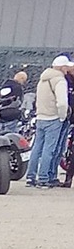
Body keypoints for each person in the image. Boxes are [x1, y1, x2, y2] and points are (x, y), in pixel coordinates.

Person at [27, 58, 71, 186]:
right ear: (62, 67)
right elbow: (62, 103)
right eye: (66, 66)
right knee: (49, 149)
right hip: (53, 117)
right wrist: (62, 116)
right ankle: (43, 178)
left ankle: (30, 177)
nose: (67, 69)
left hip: (41, 116)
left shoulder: (43, 79)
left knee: (36, 148)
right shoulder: (60, 80)